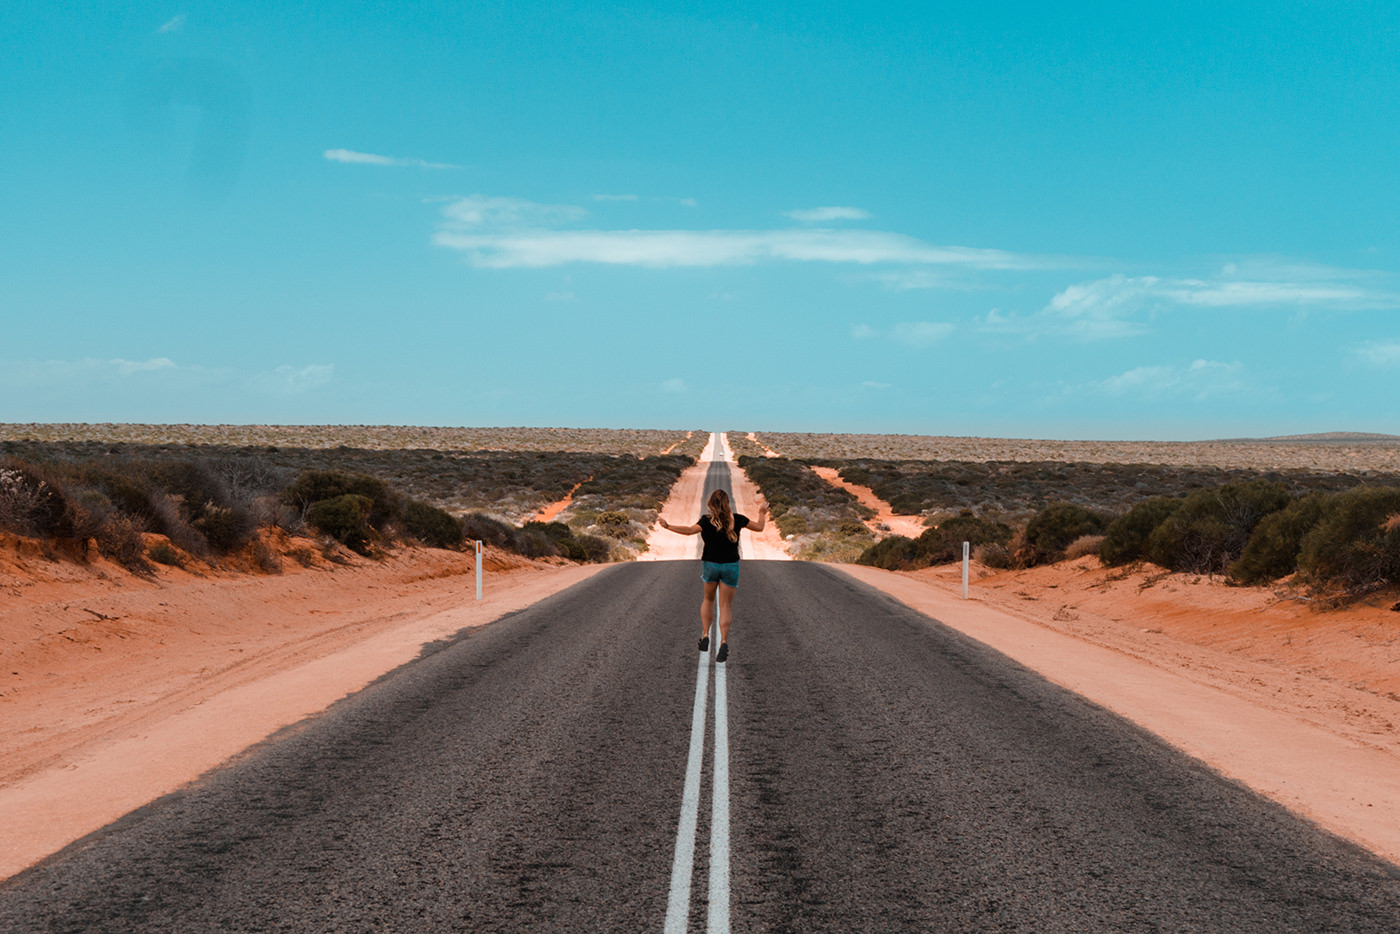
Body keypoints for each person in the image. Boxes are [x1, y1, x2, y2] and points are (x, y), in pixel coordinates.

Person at [658, 489, 767, 663]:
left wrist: (668, 526)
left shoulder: (706, 521)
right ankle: (723, 641)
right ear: (727, 503)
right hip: (731, 566)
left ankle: (706, 634)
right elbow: (760, 528)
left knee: (708, 600)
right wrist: (762, 512)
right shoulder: (737, 519)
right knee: (725, 607)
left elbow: (688, 530)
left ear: (710, 503)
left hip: (710, 565)